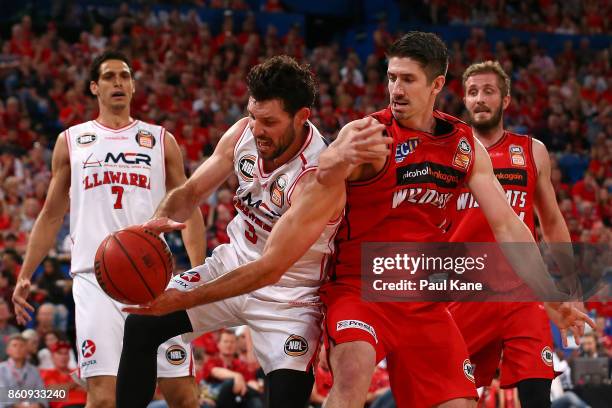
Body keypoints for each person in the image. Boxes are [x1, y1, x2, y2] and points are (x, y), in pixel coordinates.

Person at [314, 32, 593, 408]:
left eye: (408, 79)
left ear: (437, 85)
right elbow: (312, 200)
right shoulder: (366, 134)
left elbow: (512, 225)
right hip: (365, 287)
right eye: (392, 77)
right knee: (353, 373)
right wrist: (329, 163)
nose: (395, 88)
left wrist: (551, 292)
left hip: (431, 299)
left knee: (469, 402)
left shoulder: (464, 145)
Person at [115, 55, 345, 408]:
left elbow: (270, 269)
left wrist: (186, 298)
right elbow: (190, 193)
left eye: (269, 121)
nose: (256, 128)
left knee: (286, 398)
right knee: (142, 325)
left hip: (290, 297)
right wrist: (155, 226)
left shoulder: (318, 177)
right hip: (232, 263)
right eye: (253, 115)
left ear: (302, 117)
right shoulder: (243, 133)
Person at [11, 50, 206, 408]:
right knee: (103, 397)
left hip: (152, 278)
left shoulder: (161, 140)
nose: (118, 82)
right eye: (109, 77)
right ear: (94, 87)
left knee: (183, 395)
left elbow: (188, 210)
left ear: (133, 86)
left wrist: (198, 271)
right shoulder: (71, 140)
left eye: (124, 76)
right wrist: (25, 273)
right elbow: (51, 215)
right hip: (95, 279)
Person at [448, 60, 580, 408]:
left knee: (537, 390)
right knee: (450, 394)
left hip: (524, 291)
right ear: (464, 99)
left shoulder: (533, 150)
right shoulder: (447, 153)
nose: (480, 99)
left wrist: (573, 287)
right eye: (473, 92)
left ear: (505, 100)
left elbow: (551, 222)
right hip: (464, 291)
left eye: (489, 91)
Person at [0, 334, 47, 407]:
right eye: (14, 345)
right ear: (8, 350)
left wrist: (39, 405)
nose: (18, 348)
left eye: (21, 346)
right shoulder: (1, 369)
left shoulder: (34, 370)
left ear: (26, 350)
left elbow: (41, 393)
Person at [39, 340, 87, 408]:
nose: (63, 356)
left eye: (66, 353)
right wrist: (75, 384)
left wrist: (62, 388)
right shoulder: (45, 373)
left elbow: (89, 390)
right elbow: (48, 393)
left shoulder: (78, 371)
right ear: (52, 356)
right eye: (60, 353)